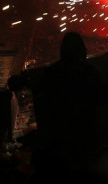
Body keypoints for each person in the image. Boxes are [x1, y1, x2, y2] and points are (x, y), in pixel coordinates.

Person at [32, 32, 103, 165]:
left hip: (59, 132)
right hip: (83, 131)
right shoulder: (90, 71)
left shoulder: (52, 71)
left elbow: (43, 102)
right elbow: (99, 99)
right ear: (82, 49)